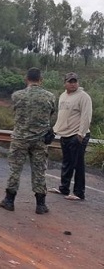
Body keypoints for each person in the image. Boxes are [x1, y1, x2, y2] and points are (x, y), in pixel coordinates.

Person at [0, 67, 55, 214]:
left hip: (20, 138)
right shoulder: (50, 96)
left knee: (15, 169)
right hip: (40, 139)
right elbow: (51, 114)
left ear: (26, 79)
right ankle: (40, 205)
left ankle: (9, 201)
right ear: (41, 80)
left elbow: (15, 111)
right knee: (39, 171)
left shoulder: (17, 95)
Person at [49, 72, 92, 201]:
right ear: (65, 83)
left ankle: (79, 193)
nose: (73, 84)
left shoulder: (83, 97)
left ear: (78, 83)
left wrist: (81, 134)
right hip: (65, 134)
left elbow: (86, 116)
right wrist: (55, 130)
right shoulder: (63, 96)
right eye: (70, 81)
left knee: (78, 164)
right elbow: (61, 116)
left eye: (75, 81)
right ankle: (64, 188)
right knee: (67, 162)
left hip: (77, 135)